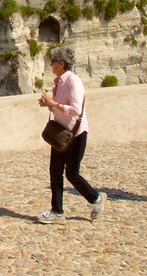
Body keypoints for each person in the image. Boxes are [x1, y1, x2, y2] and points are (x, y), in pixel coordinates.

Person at [37, 47, 106, 224]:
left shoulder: (73, 81)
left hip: (76, 135)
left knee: (72, 174)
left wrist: (54, 103)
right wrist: (49, 105)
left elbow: (75, 109)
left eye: (53, 61)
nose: (50, 64)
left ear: (61, 63)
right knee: (55, 172)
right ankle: (57, 211)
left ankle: (96, 199)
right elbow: (61, 106)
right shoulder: (59, 82)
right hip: (60, 134)